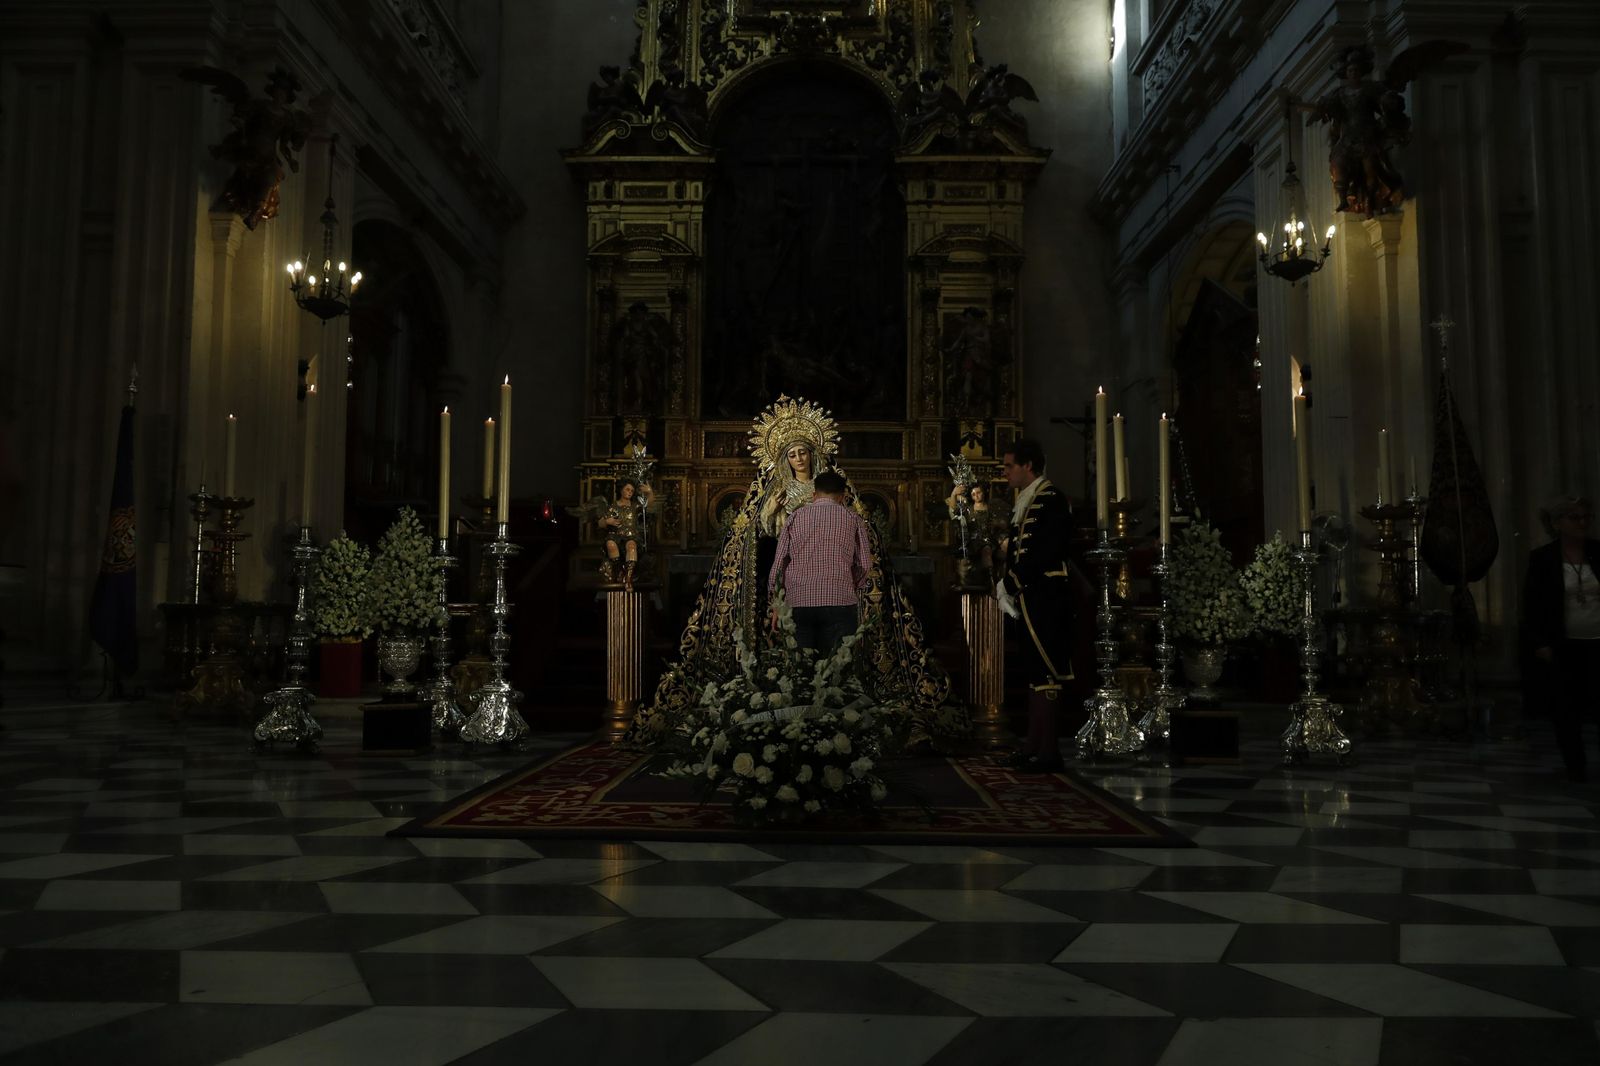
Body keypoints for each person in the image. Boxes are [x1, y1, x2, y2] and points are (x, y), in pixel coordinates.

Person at [626, 394, 960, 746]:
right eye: (792, 454)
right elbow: (765, 536)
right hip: (796, 576)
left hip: (820, 579)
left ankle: (830, 708)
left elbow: (863, 533)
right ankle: (800, 706)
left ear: (813, 454)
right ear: (784, 459)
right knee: (805, 650)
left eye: (803, 452)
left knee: (829, 651)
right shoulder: (778, 489)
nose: (798, 458)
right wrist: (770, 511)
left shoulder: (831, 485)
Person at [994, 437, 1077, 772]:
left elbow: (1048, 550)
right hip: (1030, 594)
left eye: (1009, 465)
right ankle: (1032, 746)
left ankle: (1048, 752)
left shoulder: (1051, 499)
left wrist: (1011, 582)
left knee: (1046, 671)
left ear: (1028, 465)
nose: (1005, 472)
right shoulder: (1029, 500)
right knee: (1034, 672)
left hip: (1045, 594)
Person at [1522, 494, 1600, 781]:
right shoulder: (1544, 559)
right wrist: (1540, 642)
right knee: (1567, 708)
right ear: (1558, 524)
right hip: (1564, 644)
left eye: (1586, 517)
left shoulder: (1597, 553)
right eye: (1575, 518)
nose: (1582, 523)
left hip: (1597, 639)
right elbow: (1533, 604)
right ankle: (1575, 765)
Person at [768, 471, 871, 656]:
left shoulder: (795, 517)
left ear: (814, 494)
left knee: (801, 671)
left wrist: (777, 603)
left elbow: (779, 564)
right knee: (835, 673)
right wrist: (849, 584)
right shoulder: (853, 519)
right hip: (840, 602)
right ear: (842, 497)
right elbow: (864, 564)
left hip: (799, 601)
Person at [600, 479, 653, 589]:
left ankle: (628, 578)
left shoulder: (635, 506)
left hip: (631, 536)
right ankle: (619, 570)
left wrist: (649, 492)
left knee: (631, 546)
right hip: (615, 535)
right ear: (621, 490)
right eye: (627, 489)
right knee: (610, 544)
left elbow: (648, 505)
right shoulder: (612, 507)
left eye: (632, 491)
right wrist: (607, 521)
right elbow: (600, 523)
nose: (630, 492)